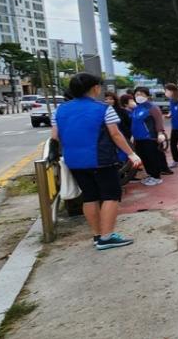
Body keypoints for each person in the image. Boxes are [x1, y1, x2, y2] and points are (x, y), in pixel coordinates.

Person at [51, 73, 141, 250]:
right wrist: (131, 154)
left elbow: (55, 137)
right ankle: (107, 237)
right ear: (95, 88)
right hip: (101, 159)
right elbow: (115, 134)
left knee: (89, 196)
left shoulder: (59, 110)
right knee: (111, 195)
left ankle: (97, 235)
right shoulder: (103, 109)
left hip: (74, 161)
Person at [131, 87, 167, 186]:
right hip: (138, 138)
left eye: (141, 94)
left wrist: (160, 133)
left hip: (150, 138)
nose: (139, 96)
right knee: (144, 158)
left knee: (152, 158)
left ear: (147, 95)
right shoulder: (136, 108)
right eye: (137, 94)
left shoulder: (152, 107)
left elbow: (159, 121)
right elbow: (134, 123)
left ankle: (156, 177)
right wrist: (133, 135)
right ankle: (151, 175)